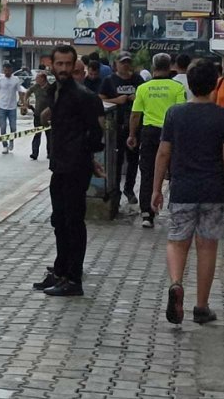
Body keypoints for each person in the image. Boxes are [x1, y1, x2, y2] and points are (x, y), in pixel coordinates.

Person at [152, 59, 224, 325]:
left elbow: (164, 152)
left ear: (188, 84)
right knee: (207, 247)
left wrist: (156, 189)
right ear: (214, 83)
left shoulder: (174, 114)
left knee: (177, 242)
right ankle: (201, 307)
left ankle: (177, 283)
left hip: (182, 189)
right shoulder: (223, 116)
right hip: (214, 191)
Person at [32, 44, 105, 297]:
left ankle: (74, 279)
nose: (63, 69)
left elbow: (97, 134)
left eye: (67, 64)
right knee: (59, 221)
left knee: (73, 222)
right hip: (59, 165)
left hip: (75, 166)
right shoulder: (54, 92)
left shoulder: (84, 96)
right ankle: (61, 270)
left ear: (74, 65)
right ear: (51, 65)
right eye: (58, 64)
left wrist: (87, 158)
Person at [129, 53, 186, 228]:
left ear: (153, 67)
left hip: (150, 133)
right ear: (170, 67)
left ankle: (147, 213)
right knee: (175, 172)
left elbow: (135, 114)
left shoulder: (143, 88)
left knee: (148, 172)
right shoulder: (176, 87)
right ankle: (176, 209)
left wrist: (132, 135)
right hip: (171, 133)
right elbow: (180, 112)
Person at [100, 52, 145, 209]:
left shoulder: (137, 79)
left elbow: (144, 97)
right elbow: (100, 98)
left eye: (128, 62)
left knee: (133, 160)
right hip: (115, 126)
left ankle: (129, 189)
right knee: (117, 160)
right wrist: (116, 100)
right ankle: (116, 191)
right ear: (116, 64)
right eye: (122, 62)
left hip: (134, 125)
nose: (125, 65)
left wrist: (137, 98)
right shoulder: (109, 80)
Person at [0, 62, 26, 155]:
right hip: (2, 107)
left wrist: (23, 104)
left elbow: (20, 92)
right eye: (5, 70)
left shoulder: (16, 79)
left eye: (8, 70)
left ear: (11, 70)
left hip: (12, 107)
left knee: (13, 127)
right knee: (3, 127)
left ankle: (11, 141)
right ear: (3, 70)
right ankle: (4, 145)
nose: (6, 72)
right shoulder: (0, 80)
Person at [22, 71, 51, 161]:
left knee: (49, 135)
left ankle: (50, 153)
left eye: (38, 78)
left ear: (43, 79)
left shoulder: (50, 88)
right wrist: (25, 101)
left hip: (48, 116)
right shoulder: (36, 87)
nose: (36, 80)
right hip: (37, 114)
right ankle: (34, 153)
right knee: (37, 134)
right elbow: (28, 92)